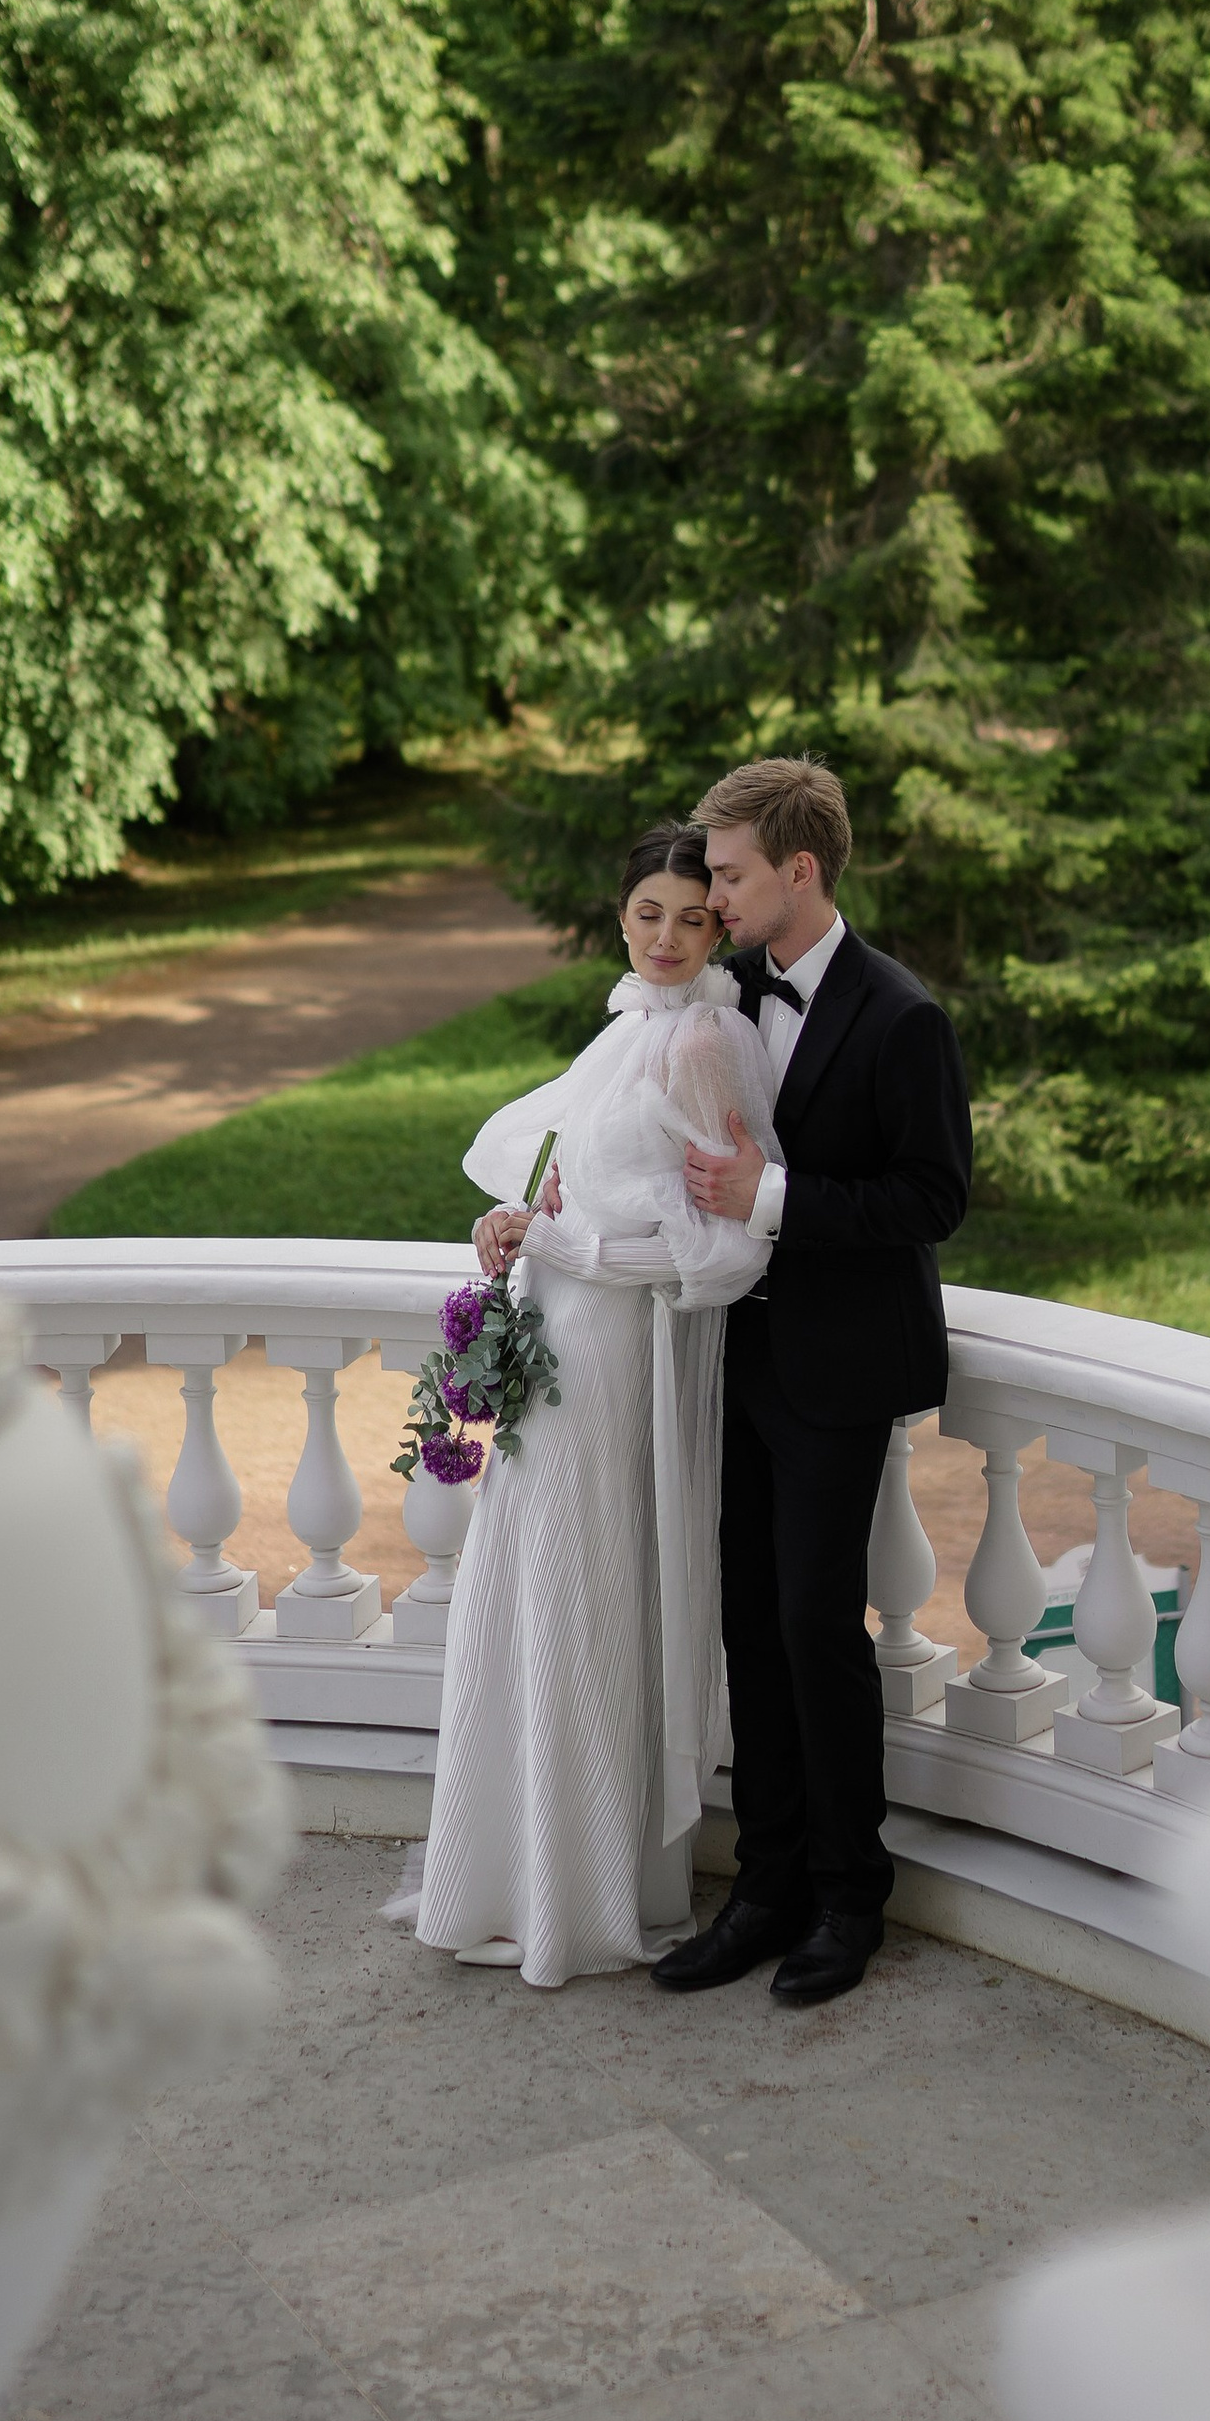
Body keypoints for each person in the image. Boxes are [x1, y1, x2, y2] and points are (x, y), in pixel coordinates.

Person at [412, 824, 776, 1986]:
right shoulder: (625, 1031)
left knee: (586, 1596)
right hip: (559, 1349)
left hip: (620, 1362)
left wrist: (566, 1244)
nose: (665, 937)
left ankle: (585, 1893)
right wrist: (511, 1225)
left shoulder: (707, 1042)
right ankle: (512, 1875)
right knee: (526, 1591)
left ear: (717, 929)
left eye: (691, 918)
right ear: (619, 916)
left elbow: (725, 1253)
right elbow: (573, 1185)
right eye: (647, 913)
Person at [654, 756, 973, 2010]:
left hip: (838, 1371)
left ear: (800, 869)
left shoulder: (901, 1016)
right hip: (732, 1358)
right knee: (746, 1620)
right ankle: (766, 1886)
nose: (713, 898)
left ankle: (850, 1898)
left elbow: (932, 1197)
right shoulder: (721, 992)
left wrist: (772, 1198)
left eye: (731, 877)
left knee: (812, 1629)